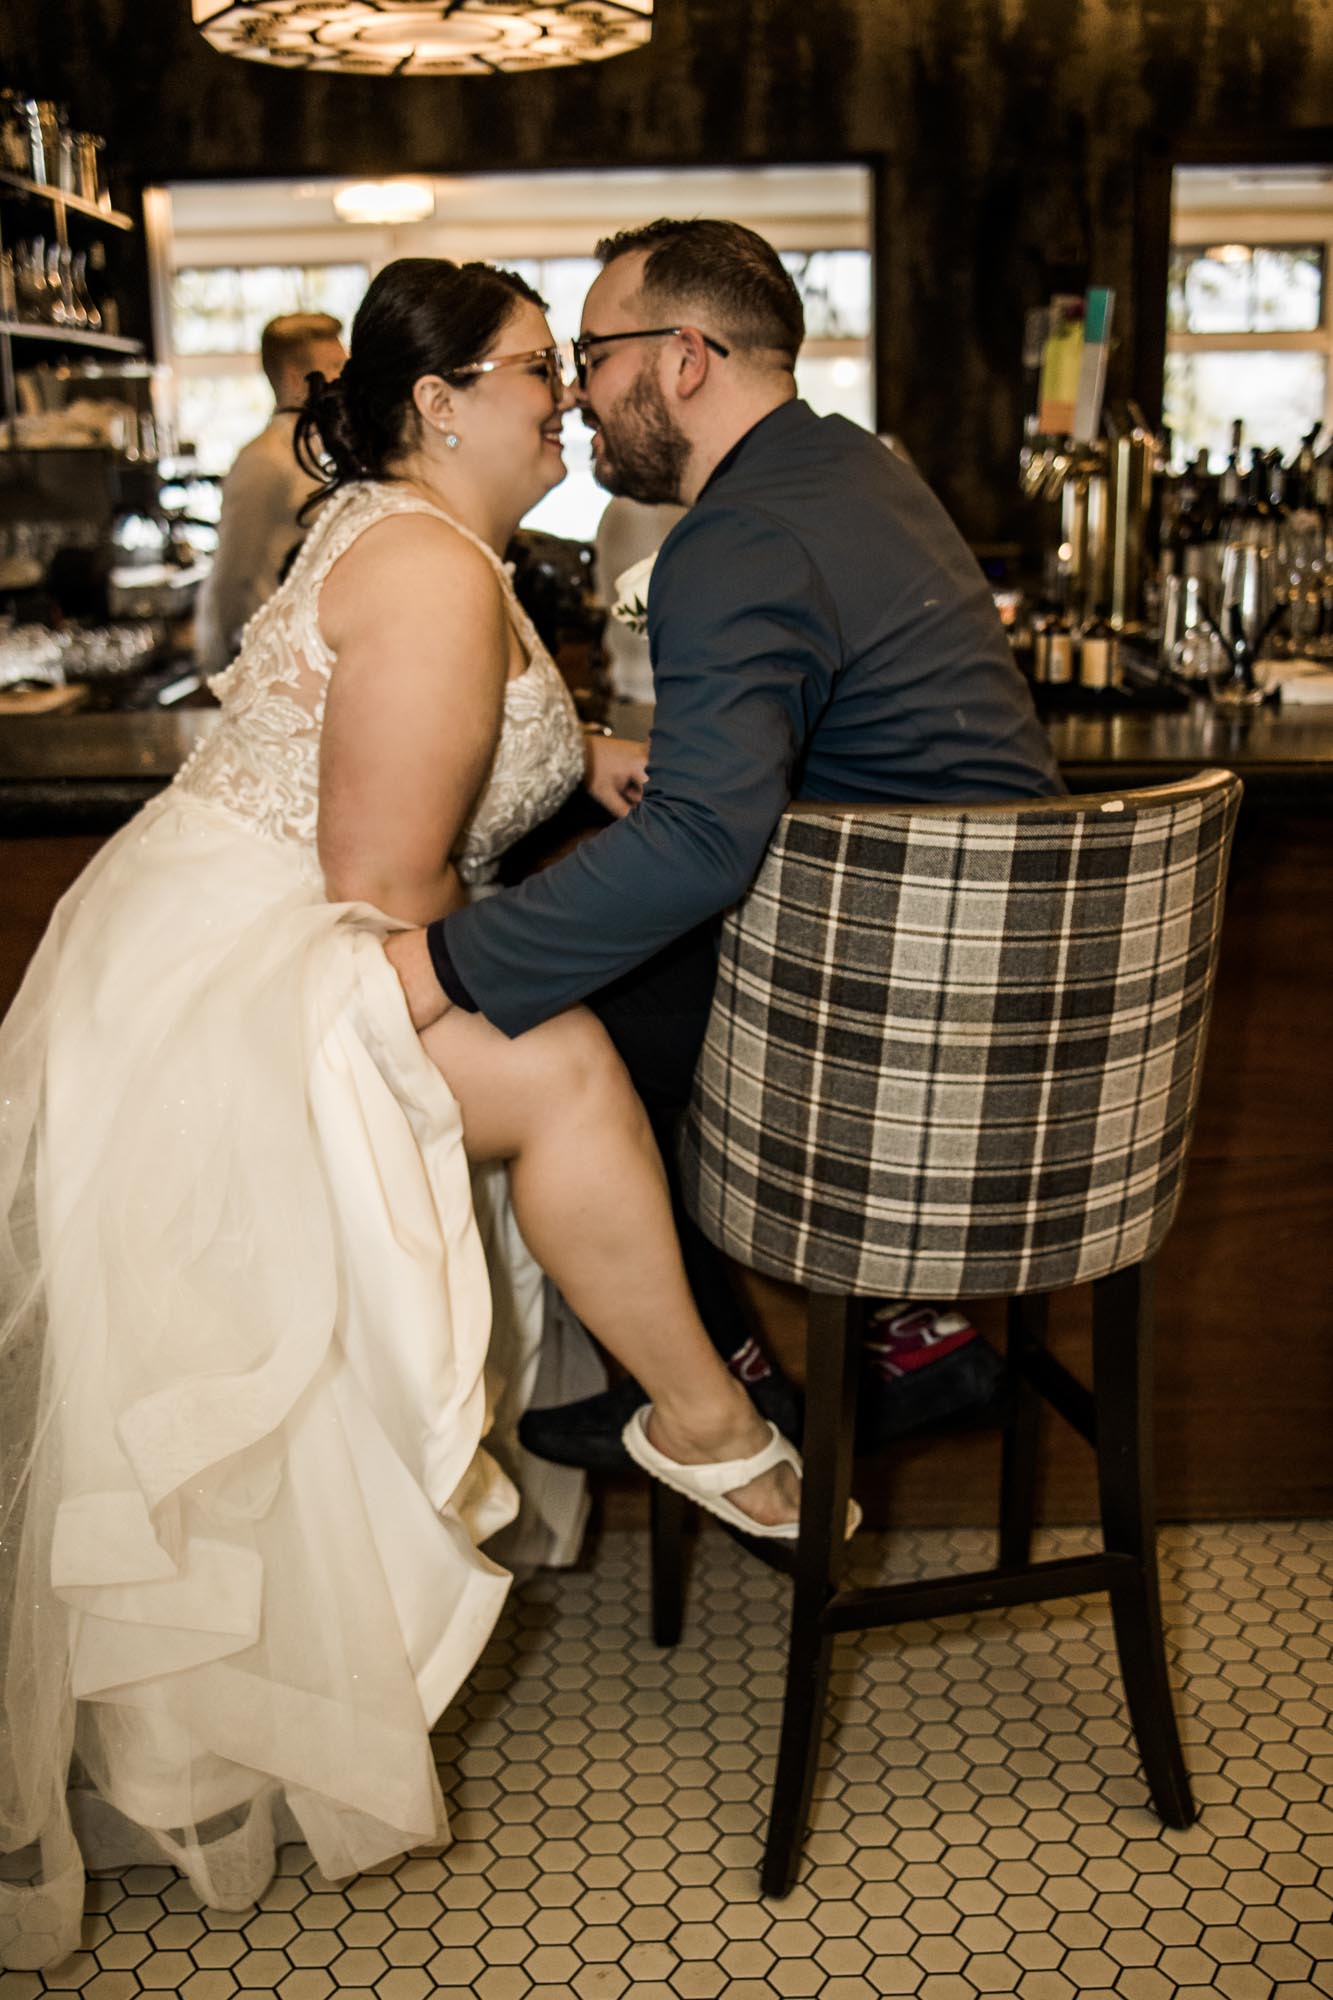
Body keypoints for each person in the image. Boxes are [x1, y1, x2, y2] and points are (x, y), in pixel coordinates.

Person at [0, 256, 807, 1973]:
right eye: (539, 371)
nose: (571, 399)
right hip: (254, 965)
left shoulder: (422, 537)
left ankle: (694, 1419)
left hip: (216, 929)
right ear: (441, 405)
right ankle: (706, 1422)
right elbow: (384, 881)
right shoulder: (433, 566)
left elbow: (426, 729)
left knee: (563, 1057)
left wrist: (573, 748)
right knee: (571, 1061)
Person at [384, 218, 1065, 1469]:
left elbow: (702, 845)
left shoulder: (735, 536)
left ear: (684, 357)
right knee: (627, 988)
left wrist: (438, 960)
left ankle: (722, 1384)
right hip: (1020, 997)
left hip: (911, 1036)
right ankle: (897, 1338)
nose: (577, 392)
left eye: (591, 354)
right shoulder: (854, 467)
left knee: (548, 1028)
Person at [193, 311, 349, 674]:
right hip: (274, 661)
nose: (346, 379)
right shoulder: (263, 460)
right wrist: (218, 670)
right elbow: (232, 574)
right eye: (336, 366)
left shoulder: (325, 452)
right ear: (297, 379)